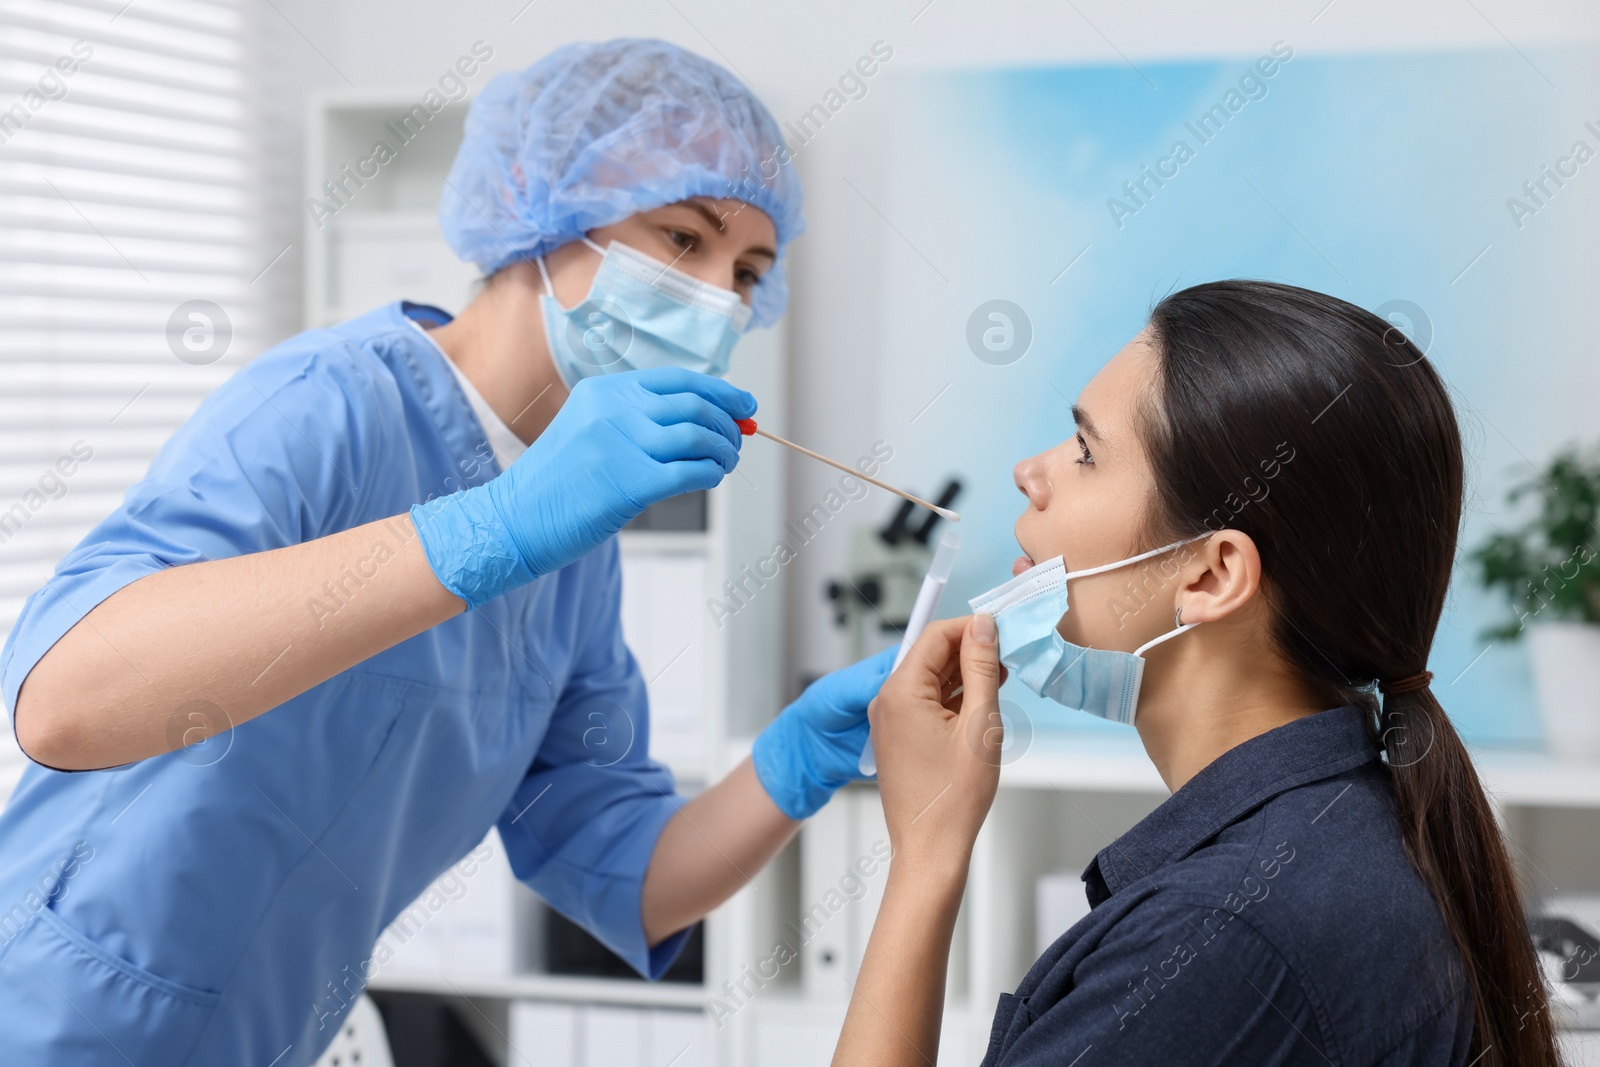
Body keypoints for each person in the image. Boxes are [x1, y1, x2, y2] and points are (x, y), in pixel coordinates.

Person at [0, 39, 890, 1065]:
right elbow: (65, 697)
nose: (716, 300)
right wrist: (493, 528)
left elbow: (622, 866)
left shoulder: (578, 545)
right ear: (540, 207)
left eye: (746, 273)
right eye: (680, 236)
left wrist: (793, 758)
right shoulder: (332, 404)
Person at [833, 281, 1559, 1066]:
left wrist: (924, 854)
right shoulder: (1347, 832)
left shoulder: (1214, 940)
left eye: (1084, 452)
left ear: (1213, 576)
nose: (1029, 472)